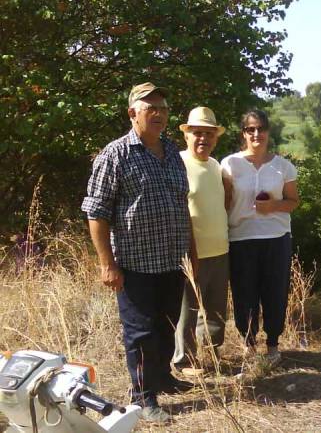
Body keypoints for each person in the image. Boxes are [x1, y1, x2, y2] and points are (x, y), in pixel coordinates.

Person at [81, 82, 193, 423]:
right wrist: (107, 264)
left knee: (167, 325)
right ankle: (143, 397)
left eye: (163, 107)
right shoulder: (115, 155)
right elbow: (96, 212)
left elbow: (182, 207)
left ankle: (161, 378)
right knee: (141, 332)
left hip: (172, 262)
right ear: (133, 113)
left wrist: (192, 255)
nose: (159, 114)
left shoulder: (173, 152)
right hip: (134, 265)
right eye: (150, 108)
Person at [221, 109, 299, 364]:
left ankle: (273, 344)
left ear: (268, 131)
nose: (256, 134)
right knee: (245, 294)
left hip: (276, 238)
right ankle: (249, 344)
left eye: (261, 128)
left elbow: (293, 202)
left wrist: (274, 206)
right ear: (243, 133)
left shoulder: (282, 166)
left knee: (275, 292)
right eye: (250, 129)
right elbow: (224, 202)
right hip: (241, 238)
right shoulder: (229, 164)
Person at [173, 107, 229, 374]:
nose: (203, 139)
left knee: (216, 311)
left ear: (215, 138)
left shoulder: (216, 165)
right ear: (187, 136)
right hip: (191, 251)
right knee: (187, 310)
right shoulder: (178, 163)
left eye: (208, 134)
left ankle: (212, 357)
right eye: (197, 133)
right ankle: (183, 361)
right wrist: (187, 250)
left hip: (220, 250)